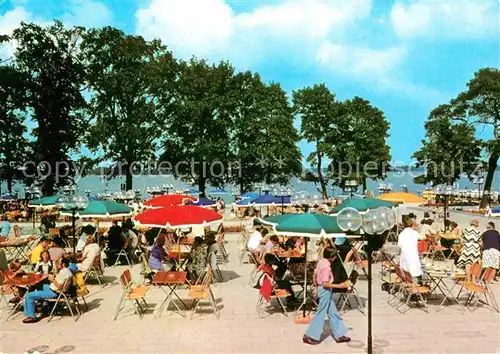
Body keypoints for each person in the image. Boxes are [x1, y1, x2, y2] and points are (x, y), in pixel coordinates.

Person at [303, 247, 351, 345]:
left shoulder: (321, 262)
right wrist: (339, 285)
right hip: (325, 290)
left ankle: (339, 334)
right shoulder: (327, 267)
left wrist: (315, 283)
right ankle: (309, 335)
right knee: (320, 314)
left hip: (324, 290)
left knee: (333, 313)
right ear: (332, 257)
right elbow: (325, 283)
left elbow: (315, 273)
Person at [22, 257, 73, 323]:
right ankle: (41, 306)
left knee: (29, 295)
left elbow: (60, 287)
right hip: (53, 289)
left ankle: (32, 316)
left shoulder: (63, 273)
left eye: (58, 262)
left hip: (54, 292)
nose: (57, 263)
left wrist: (53, 280)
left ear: (63, 264)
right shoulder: (67, 271)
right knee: (39, 285)